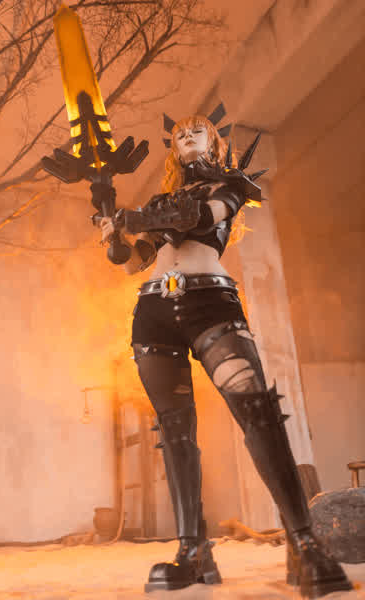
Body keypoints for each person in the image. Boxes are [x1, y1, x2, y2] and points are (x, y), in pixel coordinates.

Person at [99, 108, 353, 598]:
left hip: (210, 302)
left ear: (214, 142)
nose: (187, 136)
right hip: (152, 310)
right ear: (173, 149)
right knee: (173, 430)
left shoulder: (231, 185)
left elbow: (198, 218)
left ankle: (304, 542)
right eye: (180, 134)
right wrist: (114, 235)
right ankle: (193, 552)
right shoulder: (160, 199)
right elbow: (133, 262)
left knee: (257, 411)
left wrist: (134, 217)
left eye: (198, 131)